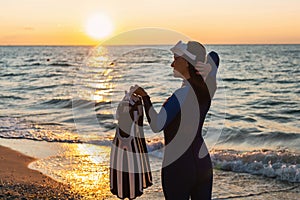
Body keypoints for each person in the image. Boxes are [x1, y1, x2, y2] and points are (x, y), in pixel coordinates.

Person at [131, 40, 216, 199]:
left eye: (176, 58)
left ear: (186, 62)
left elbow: (157, 124)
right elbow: (214, 56)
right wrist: (211, 67)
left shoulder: (181, 94)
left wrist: (145, 98)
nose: (172, 64)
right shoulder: (208, 88)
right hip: (203, 162)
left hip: (178, 165)